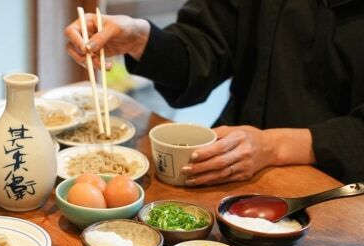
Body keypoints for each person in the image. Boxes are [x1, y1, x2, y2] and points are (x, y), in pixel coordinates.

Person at [65, 1, 364, 185]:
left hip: (341, 192)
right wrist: (141, 39)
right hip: (231, 166)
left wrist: (274, 147)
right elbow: (204, 47)